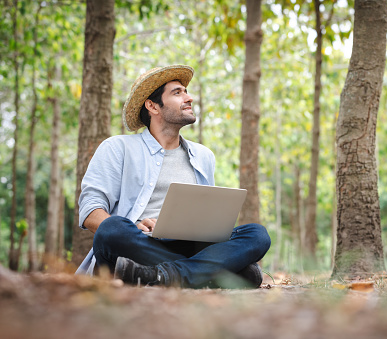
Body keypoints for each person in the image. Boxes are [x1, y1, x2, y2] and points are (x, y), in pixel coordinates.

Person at [75, 65, 271, 288]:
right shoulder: (117, 148)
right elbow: (90, 213)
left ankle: (161, 275)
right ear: (152, 106)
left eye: (186, 91)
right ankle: (209, 272)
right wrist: (135, 224)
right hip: (138, 245)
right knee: (111, 230)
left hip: (189, 246)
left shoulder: (203, 156)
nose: (189, 98)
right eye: (178, 92)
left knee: (257, 234)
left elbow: (209, 221)